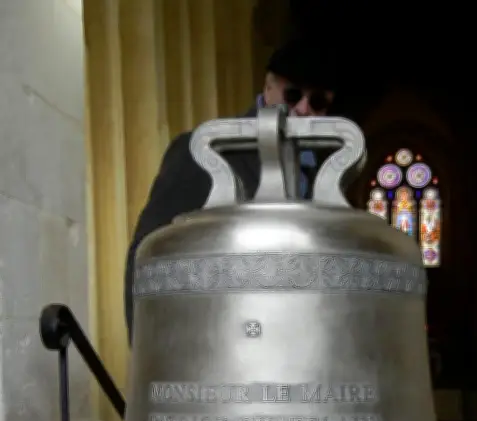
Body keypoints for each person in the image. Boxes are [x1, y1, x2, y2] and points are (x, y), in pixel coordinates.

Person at [124, 38, 339, 343]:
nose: (303, 109)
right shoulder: (202, 152)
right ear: (268, 87)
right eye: (292, 96)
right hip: (215, 345)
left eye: (317, 102)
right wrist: (148, 355)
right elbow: (148, 253)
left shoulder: (322, 173)